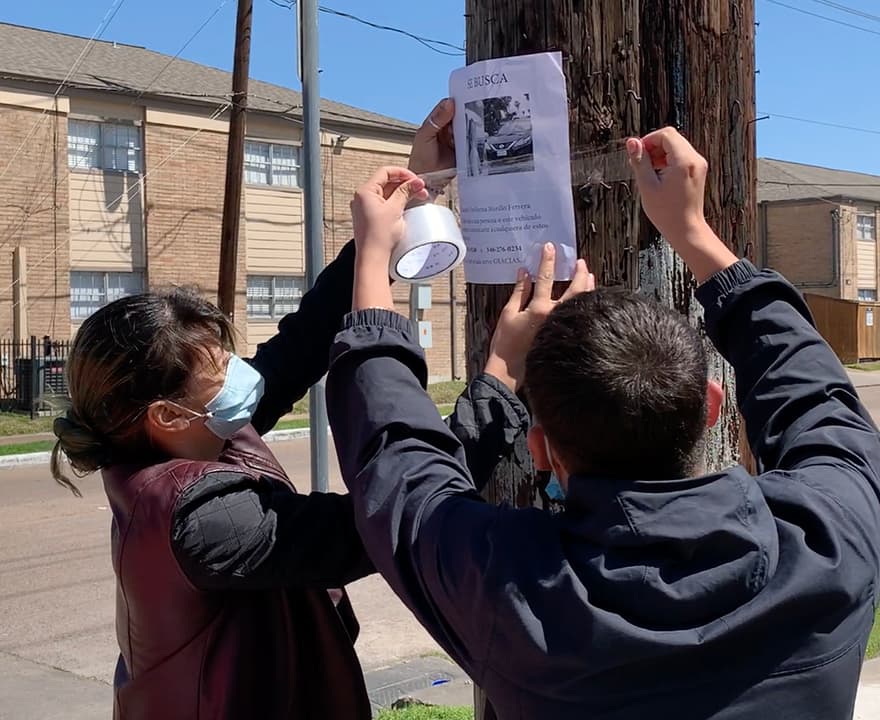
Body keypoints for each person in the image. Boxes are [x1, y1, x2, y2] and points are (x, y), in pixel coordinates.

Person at [327, 128, 880, 719]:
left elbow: (397, 465)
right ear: (713, 404)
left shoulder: (510, 593)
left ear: (542, 452)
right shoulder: (830, 539)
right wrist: (694, 234)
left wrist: (377, 260)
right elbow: (815, 395)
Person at [49, 99, 520, 720]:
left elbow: (302, 344)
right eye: (218, 371)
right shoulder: (203, 522)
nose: (240, 377)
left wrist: (412, 194)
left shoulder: (195, 434)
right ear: (164, 415)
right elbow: (395, 515)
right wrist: (501, 381)